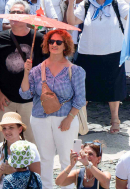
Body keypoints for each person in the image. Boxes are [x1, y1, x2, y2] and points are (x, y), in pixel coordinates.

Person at [19, 28, 85, 188]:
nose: (54, 44)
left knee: (68, 158)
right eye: (51, 41)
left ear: (65, 46)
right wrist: (26, 73)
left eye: (58, 42)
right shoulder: (36, 70)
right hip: (40, 118)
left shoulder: (75, 70)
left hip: (66, 117)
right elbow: (25, 94)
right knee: (45, 158)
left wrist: (69, 119)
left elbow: (80, 99)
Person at [65, 0, 125, 133]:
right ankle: (81, 123)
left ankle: (115, 120)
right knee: (83, 89)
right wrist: (71, 4)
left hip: (112, 53)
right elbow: (72, 21)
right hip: (87, 54)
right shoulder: (86, 3)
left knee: (113, 90)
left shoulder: (118, 3)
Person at [0, 0, 44, 143]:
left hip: (31, 100)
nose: (15, 15)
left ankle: (32, 166)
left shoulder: (38, 38)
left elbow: (46, 69)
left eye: (19, 12)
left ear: (28, 16)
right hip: (5, 99)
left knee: (32, 140)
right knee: (2, 140)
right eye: (12, 12)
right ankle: (3, 165)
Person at [0, 112, 41, 189]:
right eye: (4, 128)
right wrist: (1, 171)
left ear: (20, 129)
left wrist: (14, 172)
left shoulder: (31, 148)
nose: (7, 131)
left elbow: (36, 178)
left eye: (11, 127)